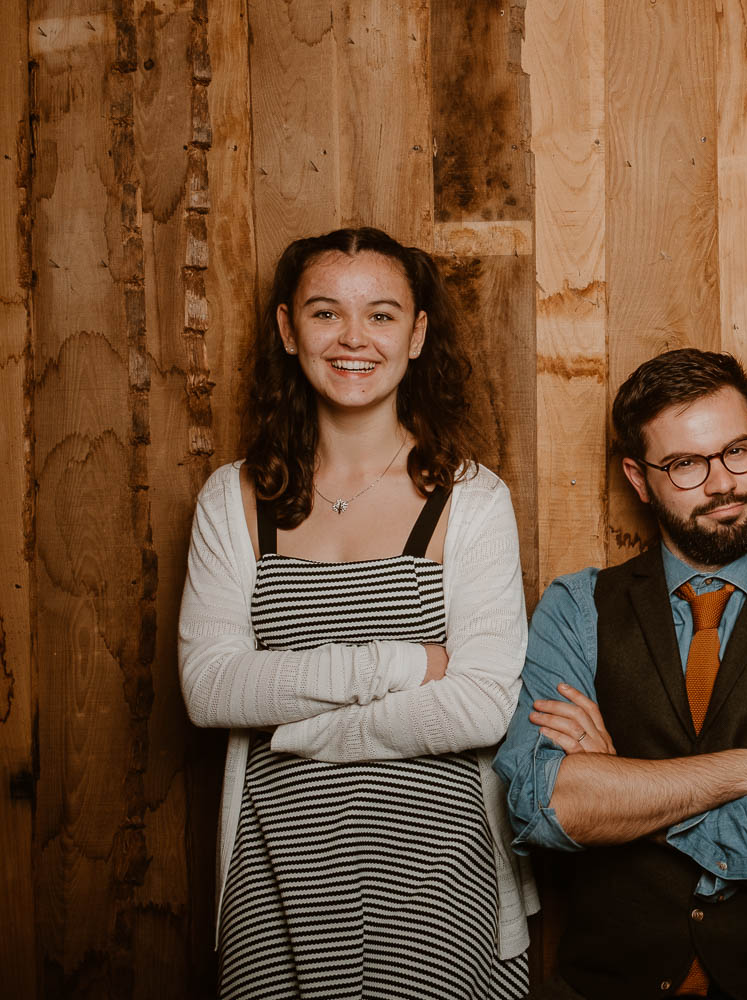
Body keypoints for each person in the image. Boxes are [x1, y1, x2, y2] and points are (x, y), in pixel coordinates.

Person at [178, 227, 537, 999]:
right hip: (277, 864)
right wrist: (404, 663)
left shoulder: (472, 499)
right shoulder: (233, 497)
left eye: (380, 315)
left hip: (442, 869)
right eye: (324, 313)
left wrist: (305, 730)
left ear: (417, 335)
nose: (352, 339)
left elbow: (480, 705)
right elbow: (209, 689)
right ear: (286, 329)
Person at [494, 348, 747, 1000]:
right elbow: (543, 806)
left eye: (739, 450)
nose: (722, 484)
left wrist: (619, 790)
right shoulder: (575, 607)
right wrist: (746, 771)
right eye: (685, 464)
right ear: (639, 476)